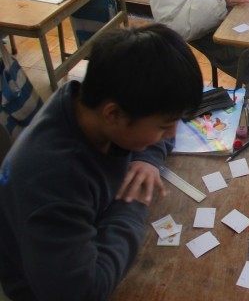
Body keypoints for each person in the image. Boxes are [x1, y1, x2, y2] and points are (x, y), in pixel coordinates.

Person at [0, 24, 203, 300]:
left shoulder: (83, 99)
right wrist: (133, 201)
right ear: (113, 114)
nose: (171, 134)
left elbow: (152, 120)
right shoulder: (56, 181)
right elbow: (85, 292)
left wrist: (147, 159)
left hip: (84, 234)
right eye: (164, 126)